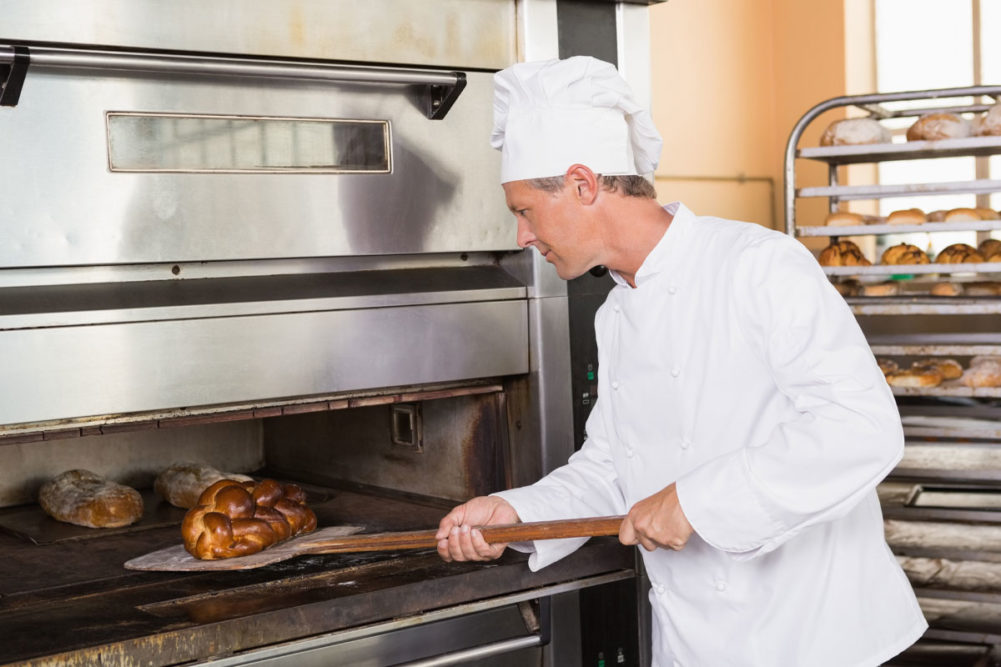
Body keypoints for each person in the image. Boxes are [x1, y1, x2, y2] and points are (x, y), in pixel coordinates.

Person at [435, 56, 927, 666]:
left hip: (814, 637)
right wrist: (518, 513)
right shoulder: (616, 312)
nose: (522, 237)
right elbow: (617, 465)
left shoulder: (759, 264)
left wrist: (699, 500)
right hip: (696, 645)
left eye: (524, 210)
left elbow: (861, 428)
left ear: (584, 185)